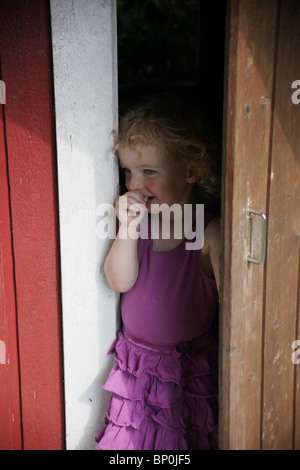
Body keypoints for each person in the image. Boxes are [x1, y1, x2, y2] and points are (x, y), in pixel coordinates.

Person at [95, 94, 221, 450]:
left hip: (186, 369)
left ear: (191, 171)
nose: (134, 184)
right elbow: (119, 280)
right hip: (136, 366)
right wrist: (127, 228)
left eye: (149, 171)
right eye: (128, 172)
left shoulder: (209, 233)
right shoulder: (139, 225)